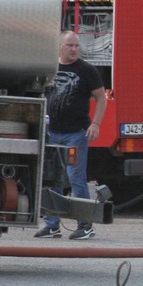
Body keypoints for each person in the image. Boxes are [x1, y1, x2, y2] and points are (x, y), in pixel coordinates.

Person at [34, 30, 107, 240]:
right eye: (70, 45)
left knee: (76, 179)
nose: (74, 49)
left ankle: (85, 225)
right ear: (59, 47)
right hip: (51, 133)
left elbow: (101, 98)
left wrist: (96, 124)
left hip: (76, 134)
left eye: (76, 45)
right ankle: (52, 225)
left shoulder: (87, 70)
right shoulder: (48, 69)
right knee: (51, 179)